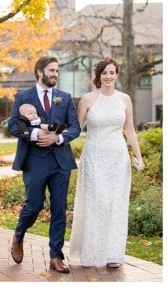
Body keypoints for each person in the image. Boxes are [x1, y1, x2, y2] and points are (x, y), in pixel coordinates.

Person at [68, 56, 145, 268]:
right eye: (105, 73)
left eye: (112, 73)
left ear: (116, 75)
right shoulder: (87, 100)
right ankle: (91, 254)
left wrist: (138, 157)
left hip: (118, 158)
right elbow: (75, 129)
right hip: (93, 157)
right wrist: (56, 138)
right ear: (98, 76)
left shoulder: (125, 99)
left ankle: (113, 254)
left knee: (115, 204)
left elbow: (129, 129)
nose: (109, 76)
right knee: (95, 203)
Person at [8, 56, 81, 273]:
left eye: (57, 71)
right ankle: (18, 235)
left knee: (59, 209)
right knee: (34, 205)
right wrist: (35, 133)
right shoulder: (23, 97)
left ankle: (56, 257)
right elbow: (13, 126)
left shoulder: (64, 98)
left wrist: (57, 138)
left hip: (61, 162)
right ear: (40, 71)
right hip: (34, 161)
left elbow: (75, 128)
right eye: (51, 70)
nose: (55, 74)